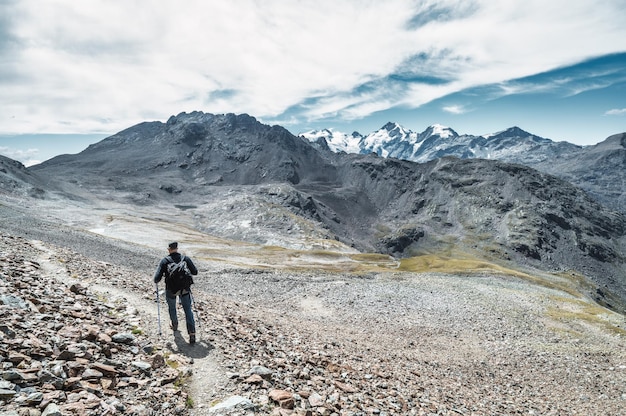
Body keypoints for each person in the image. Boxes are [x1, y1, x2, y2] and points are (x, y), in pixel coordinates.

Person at [154, 242, 198, 344]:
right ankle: (192, 333)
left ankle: (174, 325)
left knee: (172, 307)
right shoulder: (185, 259)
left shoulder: (165, 261)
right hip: (185, 289)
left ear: (168, 249)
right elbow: (195, 272)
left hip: (171, 289)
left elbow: (156, 278)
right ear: (177, 248)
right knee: (188, 310)